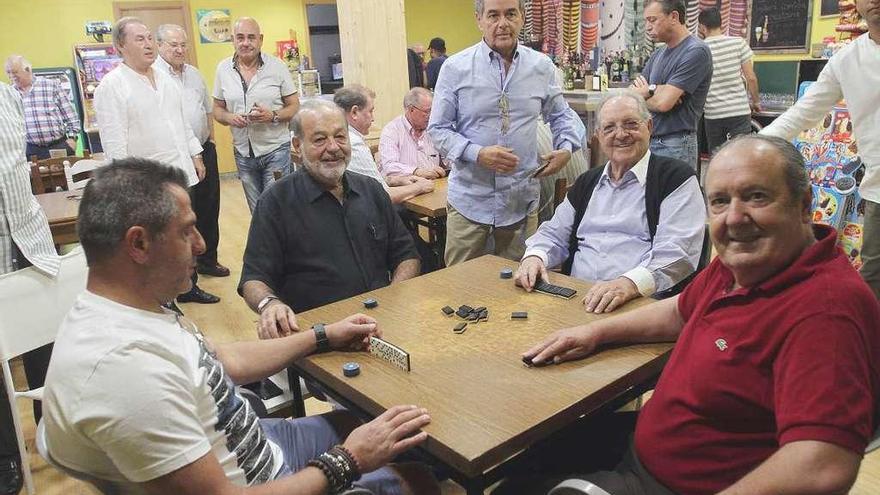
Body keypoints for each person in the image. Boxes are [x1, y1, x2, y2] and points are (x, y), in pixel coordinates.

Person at [506, 135, 880, 495]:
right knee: (525, 461)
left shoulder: (826, 311)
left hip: (677, 484)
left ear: (803, 205)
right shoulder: (746, 263)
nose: (735, 218)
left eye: (756, 197)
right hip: (649, 447)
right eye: (719, 201)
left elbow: (822, 466)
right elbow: (681, 310)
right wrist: (594, 333)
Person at [42, 157, 438, 495]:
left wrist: (321, 335)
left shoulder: (128, 308)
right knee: (418, 475)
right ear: (139, 244)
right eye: (186, 231)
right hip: (261, 478)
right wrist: (348, 460)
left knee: (384, 430)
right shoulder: (128, 372)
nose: (201, 245)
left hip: (257, 442)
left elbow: (220, 359)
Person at [239, 99, 420, 340]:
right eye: (319, 139)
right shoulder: (275, 202)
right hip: (317, 335)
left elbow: (406, 255)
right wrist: (269, 305)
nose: (333, 147)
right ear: (297, 145)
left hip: (381, 325)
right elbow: (253, 278)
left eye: (340, 137)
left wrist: (392, 297)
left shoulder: (371, 190)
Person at [517, 90, 705, 314]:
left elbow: (677, 254)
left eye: (631, 124)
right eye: (609, 128)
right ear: (598, 135)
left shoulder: (676, 178)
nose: (621, 134)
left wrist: (629, 284)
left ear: (649, 127)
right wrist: (535, 257)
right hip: (576, 301)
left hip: (641, 305)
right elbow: (552, 234)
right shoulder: (587, 182)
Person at [429, 0, 585, 266]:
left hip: (520, 205)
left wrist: (567, 148)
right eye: (493, 15)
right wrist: (477, 154)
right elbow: (438, 129)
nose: (502, 23)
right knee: (459, 290)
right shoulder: (455, 68)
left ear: (522, 17)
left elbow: (561, 115)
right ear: (479, 20)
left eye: (510, 14)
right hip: (470, 204)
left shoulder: (541, 67)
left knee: (517, 291)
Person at [94, 17, 218, 306]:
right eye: (139, 39)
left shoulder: (165, 79)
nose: (148, 43)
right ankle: (161, 300)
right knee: (158, 245)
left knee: (184, 236)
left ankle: (188, 287)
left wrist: (195, 153)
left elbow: (182, 123)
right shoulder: (112, 86)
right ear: (120, 47)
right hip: (146, 185)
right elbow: (115, 146)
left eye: (149, 37)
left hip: (181, 174)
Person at [761, 0, 880, 300]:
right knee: (873, 279)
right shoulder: (848, 59)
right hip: (878, 191)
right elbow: (804, 112)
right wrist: (751, 145)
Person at [0, 81, 61, 495]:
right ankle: (6, 453)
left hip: (28, 239)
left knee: (46, 345)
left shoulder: (6, 94)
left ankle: (55, 429)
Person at [155, 24, 230, 279]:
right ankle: (189, 272)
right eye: (173, 44)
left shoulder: (194, 74)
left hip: (204, 147)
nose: (179, 49)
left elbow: (206, 110)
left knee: (210, 206)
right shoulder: (155, 76)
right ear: (159, 45)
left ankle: (209, 260)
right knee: (186, 213)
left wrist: (210, 142)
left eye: (183, 44)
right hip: (178, 155)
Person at [213, 17, 300, 213]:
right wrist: (229, 118)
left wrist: (273, 116)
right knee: (257, 210)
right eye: (240, 37)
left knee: (276, 208)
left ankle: (284, 243)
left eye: (251, 37)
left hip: (276, 150)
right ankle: (265, 244)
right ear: (233, 40)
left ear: (260, 39)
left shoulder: (277, 66)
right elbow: (217, 109)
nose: (245, 43)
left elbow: (294, 106)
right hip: (243, 153)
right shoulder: (223, 69)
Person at [630, 0, 712, 169]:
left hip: (676, 144)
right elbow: (632, 96)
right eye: (646, 21)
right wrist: (655, 90)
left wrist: (648, 92)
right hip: (650, 140)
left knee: (674, 194)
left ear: (674, 16)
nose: (647, 27)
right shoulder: (658, 53)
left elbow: (664, 103)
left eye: (652, 20)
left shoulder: (696, 51)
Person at [334, 84, 434, 204]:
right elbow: (382, 195)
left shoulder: (345, 137)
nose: (373, 118)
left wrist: (392, 180)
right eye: (370, 111)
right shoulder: (353, 144)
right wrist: (420, 187)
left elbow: (364, 182)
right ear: (354, 112)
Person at [698, 7, 760, 153]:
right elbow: (751, 78)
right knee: (742, 156)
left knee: (717, 156)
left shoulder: (700, 48)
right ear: (722, 24)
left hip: (713, 113)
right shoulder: (738, 43)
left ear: (702, 27)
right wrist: (756, 101)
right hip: (739, 111)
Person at [5, 55, 80, 160]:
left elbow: (71, 115)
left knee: (66, 176)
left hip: (58, 145)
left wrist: (72, 139)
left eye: (15, 72)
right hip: (30, 150)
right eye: (8, 72)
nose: (11, 76)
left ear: (27, 69)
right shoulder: (10, 93)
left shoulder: (50, 85)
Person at [380, 87, 448, 179]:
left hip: (435, 186)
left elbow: (447, 160)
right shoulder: (391, 131)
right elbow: (389, 166)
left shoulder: (433, 129)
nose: (431, 116)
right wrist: (416, 171)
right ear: (411, 110)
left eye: (433, 111)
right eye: (427, 111)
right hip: (406, 189)